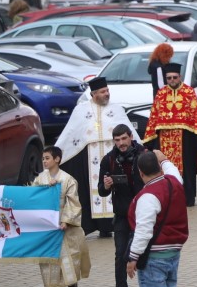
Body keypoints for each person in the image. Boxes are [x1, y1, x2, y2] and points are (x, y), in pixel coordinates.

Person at [57, 76, 141, 237]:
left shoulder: (116, 109)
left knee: (117, 186)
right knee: (93, 189)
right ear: (94, 94)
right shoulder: (81, 110)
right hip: (89, 158)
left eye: (108, 90)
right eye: (103, 92)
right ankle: (95, 225)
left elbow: (131, 133)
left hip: (115, 157)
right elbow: (70, 134)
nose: (107, 94)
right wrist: (57, 153)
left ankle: (115, 224)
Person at [127, 150, 188, 287]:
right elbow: (173, 170)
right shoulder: (173, 182)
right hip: (173, 253)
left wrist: (132, 257)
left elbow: (143, 232)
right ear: (158, 168)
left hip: (154, 257)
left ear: (140, 173)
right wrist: (164, 159)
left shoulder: (148, 196)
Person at [143, 63, 197, 206]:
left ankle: (188, 199)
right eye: (169, 78)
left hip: (185, 140)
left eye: (174, 77)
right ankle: (168, 197)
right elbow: (154, 118)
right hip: (164, 140)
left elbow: (196, 118)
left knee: (188, 169)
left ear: (179, 77)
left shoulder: (189, 92)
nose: (172, 80)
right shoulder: (161, 94)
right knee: (164, 168)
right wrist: (149, 143)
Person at [97, 124, 146, 287]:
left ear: (131, 137)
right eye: (117, 140)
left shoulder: (143, 155)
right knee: (120, 255)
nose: (121, 143)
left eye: (124, 139)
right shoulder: (109, 160)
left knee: (143, 256)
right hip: (121, 215)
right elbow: (101, 191)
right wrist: (107, 185)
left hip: (143, 215)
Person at [34, 145, 91, 287]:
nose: (44, 161)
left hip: (65, 226)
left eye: (47, 158)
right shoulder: (40, 179)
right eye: (43, 158)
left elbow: (74, 203)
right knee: (50, 260)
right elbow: (33, 197)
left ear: (57, 159)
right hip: (47, 226)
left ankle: (72, 282)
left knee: (69, 257)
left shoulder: (68, 179)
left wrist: (66, 220)